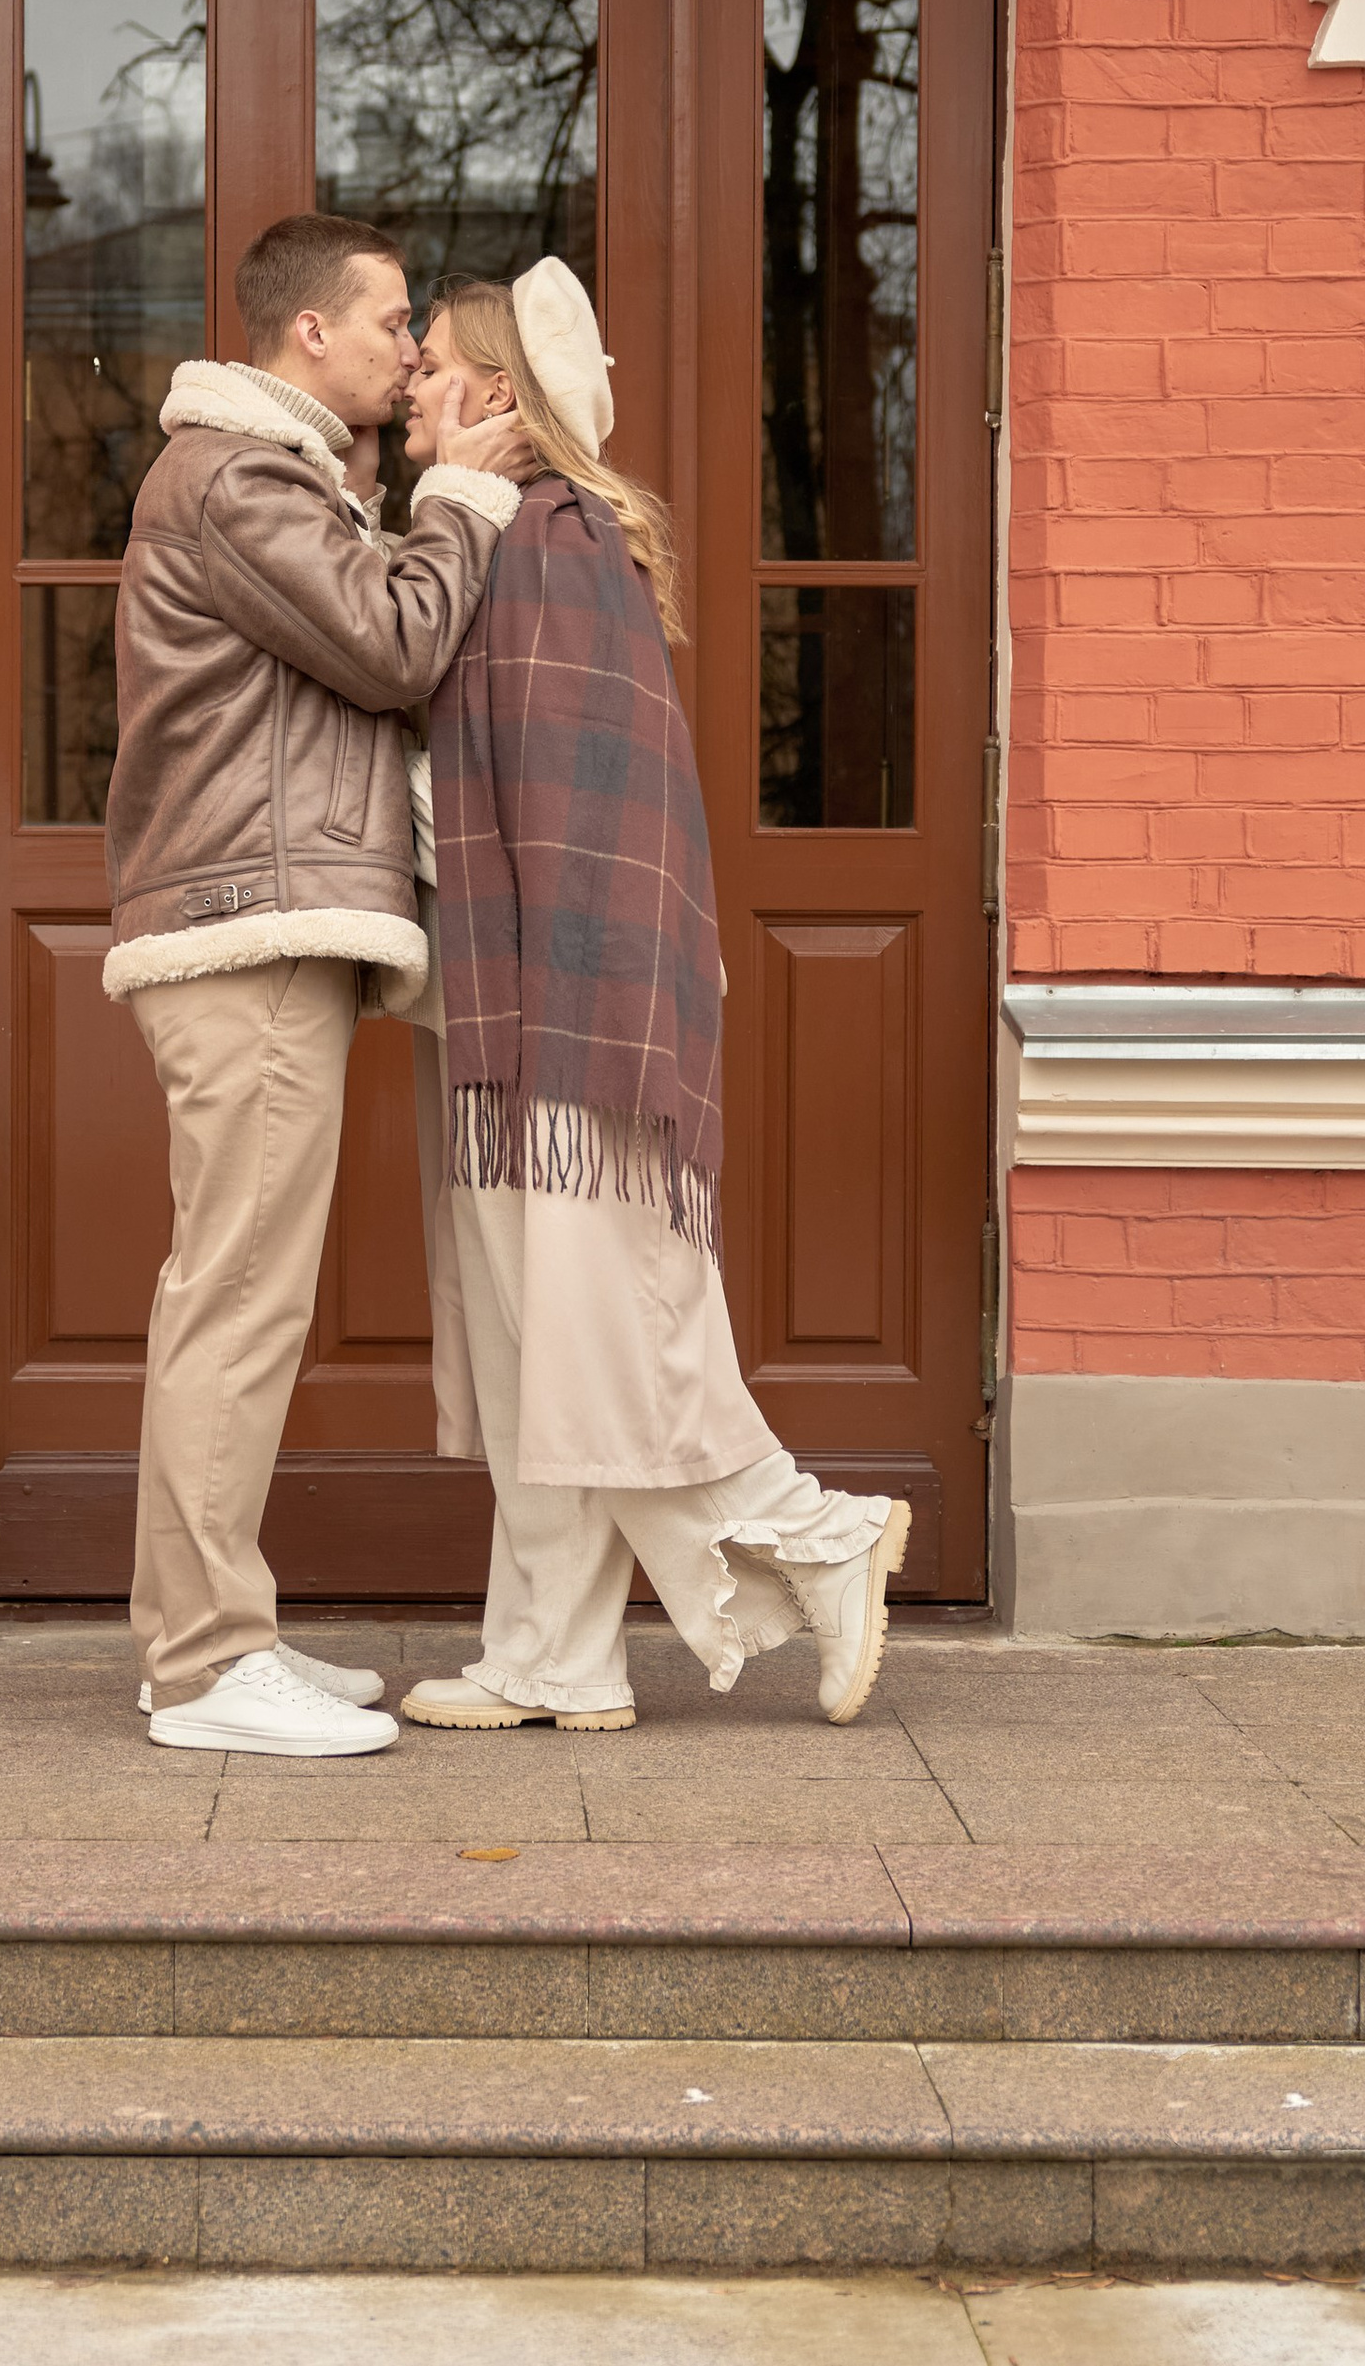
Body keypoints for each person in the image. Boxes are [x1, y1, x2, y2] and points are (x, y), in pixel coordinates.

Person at [394, 260, 909, 1737]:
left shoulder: (543, 539)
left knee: (610, 1329)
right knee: (536, 1345)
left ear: (496, 391)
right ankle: (553, 1654)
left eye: (434, 361)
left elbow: (571, 812)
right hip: (519, 1007)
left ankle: (817, 1530)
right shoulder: (510, 531)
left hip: (577, 1011)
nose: (414, 384)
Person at [104, 211, 532, 1758]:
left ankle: (213, 1644)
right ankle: (212, 1664)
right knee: (234, 1304)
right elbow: (393, 639)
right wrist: (466, 503)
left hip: (266, 926)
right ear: (308, 336)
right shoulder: (237, 477)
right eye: (394, 318)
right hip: (250, 928)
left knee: (232, 1298)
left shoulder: (275, 477)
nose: (413, 346)